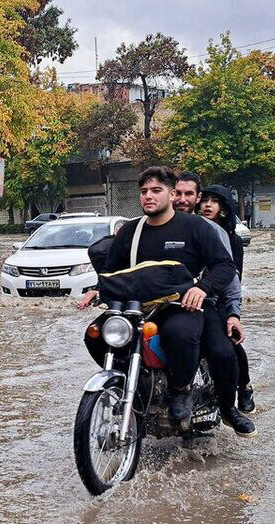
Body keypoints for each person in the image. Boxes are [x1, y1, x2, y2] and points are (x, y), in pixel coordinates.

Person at [79, 167, 250, 436]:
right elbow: (112, 271)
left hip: (183, 305)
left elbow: (224, 267)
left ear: (171, 195)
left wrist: (204, 289)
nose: (148, 196)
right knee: (96, 334)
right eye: (144, 191)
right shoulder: (130, 231)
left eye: (156, 190)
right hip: (138, 305)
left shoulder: (196, 227)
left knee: (196, 340)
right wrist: (97, 289)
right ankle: (132, 383)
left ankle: (188, 392)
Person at [174, 173, 255, 431]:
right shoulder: (145, 226)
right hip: (161, 304)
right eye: (178, 193)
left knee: (224, 349)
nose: (182, 199)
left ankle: (231, 401)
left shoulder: (215, 232)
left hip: (208, 301)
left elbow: (230, 275)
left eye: (189, 194)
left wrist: (232, 313)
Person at [199, 186, 256, 416]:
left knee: (231, 341)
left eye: (214, 201)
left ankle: (244, 387)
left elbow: (233, 276)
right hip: (193, 296)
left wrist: (231, 310)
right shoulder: (191, 229)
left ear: (223, 208)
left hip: (219, 297)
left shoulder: (231, 239)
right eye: (204, 200)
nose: (208, 205)